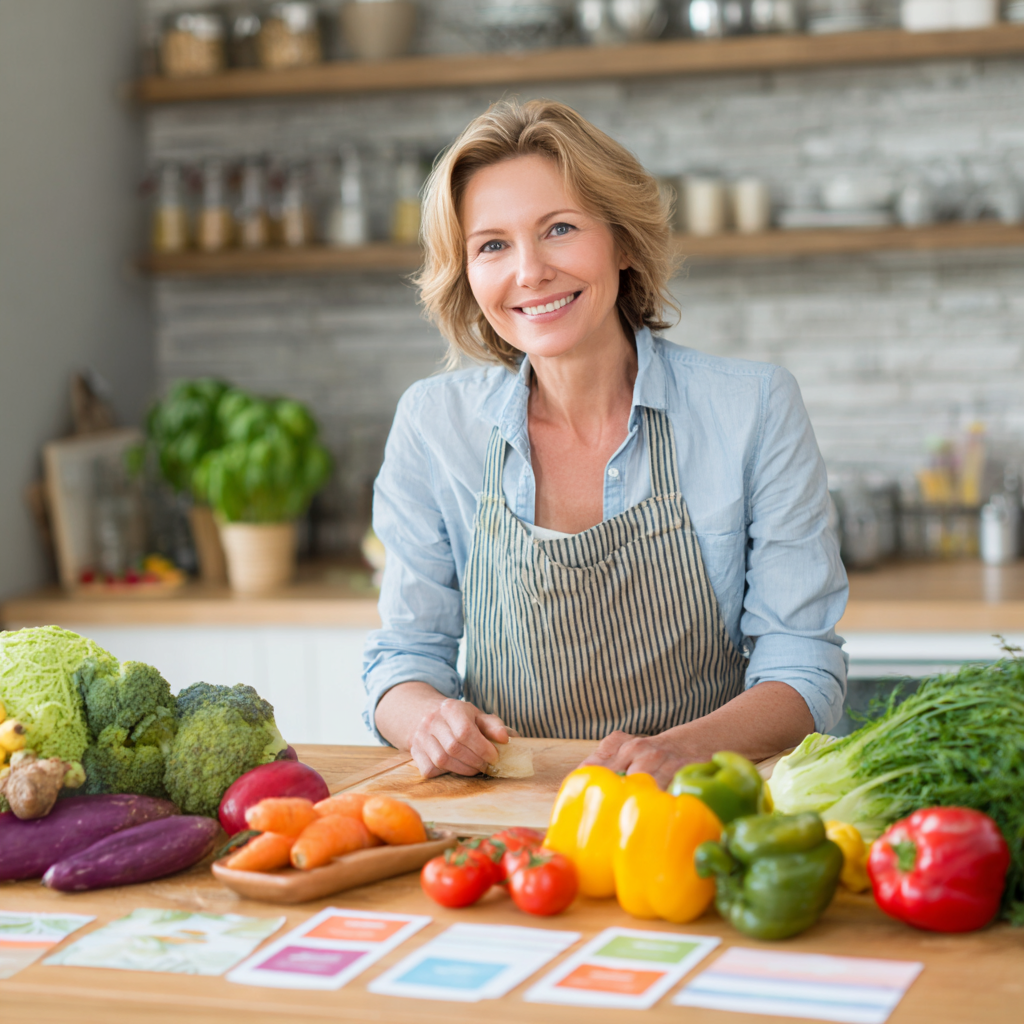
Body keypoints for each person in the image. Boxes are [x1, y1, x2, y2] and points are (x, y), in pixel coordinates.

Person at [362, 99, 847, 787]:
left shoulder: (753, 407)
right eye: (492, 244)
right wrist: (429, 722)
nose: (529, 271)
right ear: (467, 273)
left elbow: (805, 667)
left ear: (622, 241)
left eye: (559, 229)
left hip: (696, 812)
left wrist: (685, 751)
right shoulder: (434, 423)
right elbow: (402, 659)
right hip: (504, 823)